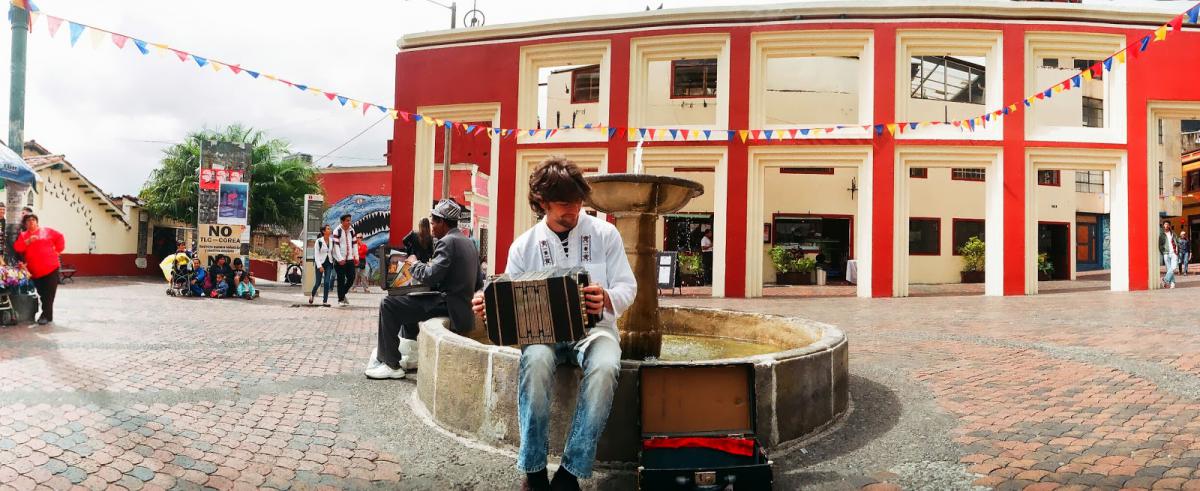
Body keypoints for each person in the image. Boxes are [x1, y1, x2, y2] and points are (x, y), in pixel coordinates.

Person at [472, 157, 636, 491]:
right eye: (564, 203)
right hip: (541, 335)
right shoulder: (523, 247)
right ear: (543, 202)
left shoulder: (605, 234)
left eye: (578, 201)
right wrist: (489, 305)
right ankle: (533, 471)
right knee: (534, 360)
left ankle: (570, 473)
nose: (574, 209)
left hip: (596, 331)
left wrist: (606, 297)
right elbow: (510, 308)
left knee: (606, 367)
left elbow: (628, 288)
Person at [365, 199, 483, 380]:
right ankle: (411, 354)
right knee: (407, 297)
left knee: (389, 304)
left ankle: (390, 363)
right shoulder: (468, 243)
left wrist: (414, 264)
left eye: (434, 222)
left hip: (448, 304)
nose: (432, 226)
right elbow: (477, 284)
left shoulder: (447, 242)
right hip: (459, 306)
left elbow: (430, 275)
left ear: (443, 222)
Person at [13, 214, 66, 325]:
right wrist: (28, 241)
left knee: (49, 294)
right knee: (42, 294)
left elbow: (60, 237)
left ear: (37, 222)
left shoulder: (47, 231)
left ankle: (45, 316)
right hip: (35, 271)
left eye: (33, 220)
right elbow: (18, 248)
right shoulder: (23, 235)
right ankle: (48, 316)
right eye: (28, 220)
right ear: (25, 224)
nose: (31, 222)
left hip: (51, 268)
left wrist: (58, 250)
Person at [331, 214, 359, 306]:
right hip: (340, 260)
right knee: (341, 280)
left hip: (350, 258)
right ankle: (341, 299)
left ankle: (343, 294)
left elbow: (355, 244)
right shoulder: (337, 231)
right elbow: (336, 246)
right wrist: (339, 259)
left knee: (352, 277)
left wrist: (356, 257)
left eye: (350, 220)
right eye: (347, 220)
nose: (349, 222)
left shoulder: (352, 230)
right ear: (342, 221)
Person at [310, 225, 335, 305]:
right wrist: (319, 266)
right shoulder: (319, 241)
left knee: (327, 282)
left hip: (329, 263)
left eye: (329, 229)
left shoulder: (332, 241)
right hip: (320, 263)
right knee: (318, 283)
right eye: (328, 229)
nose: (330, 230)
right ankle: (312, 295)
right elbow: (316, 255)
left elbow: (333, 252)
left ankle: (325, 301)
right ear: (324, 231)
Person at [1160, 221, 1178, 289]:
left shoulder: (1173, 233)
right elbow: (1160, 245)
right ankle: (1172, 283)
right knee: (1169, 269)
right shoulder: (1161, 235)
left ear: (1169, 226)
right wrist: (1163, 252)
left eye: (1167, 224)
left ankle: (1165, 279)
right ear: (1163, 226)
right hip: (1166, 253)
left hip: (1174, 253)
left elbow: (1177, 241)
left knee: (1173, 268)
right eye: (1165, 224)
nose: (1166, 226)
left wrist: (1177, 249)